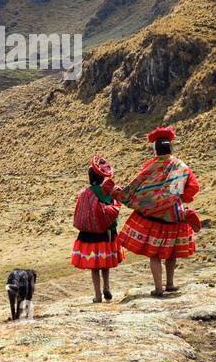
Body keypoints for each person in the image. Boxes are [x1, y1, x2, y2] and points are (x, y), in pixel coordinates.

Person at [105, 126, 200, 297]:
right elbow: (189, 188)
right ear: (170, 147)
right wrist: (177, 201)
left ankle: (158, 288)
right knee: (172, 252)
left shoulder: (151, 167)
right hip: (174, 215)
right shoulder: (180, 166)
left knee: (154, 254)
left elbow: (136, 186)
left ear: (156, 149)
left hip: (152, 216)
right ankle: (170, 284)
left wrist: (120, 194)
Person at [71, 155, 124, 302]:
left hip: (89, 234)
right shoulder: (106, 192)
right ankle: (107, 287)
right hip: (106, 233)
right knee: (105, 263)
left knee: (94, 266)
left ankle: (97, 295)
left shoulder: (84, 194)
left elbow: (80, 213)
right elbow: (112, 209)